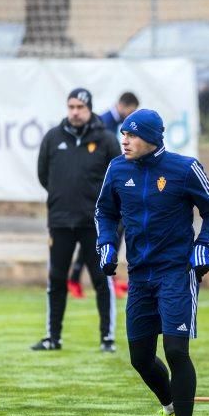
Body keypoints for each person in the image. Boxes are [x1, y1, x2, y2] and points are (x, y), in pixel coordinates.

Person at [94, 108, 209, 416]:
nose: (125, 140)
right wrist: (106, 243)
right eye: (123, 133)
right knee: (140, 358)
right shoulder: (117, 169)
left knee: (176, 352)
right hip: (139, 275)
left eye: (132, 135)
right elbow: (104, 212)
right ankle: (169, 407)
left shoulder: (184, 168)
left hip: (176, 273)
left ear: (152, 138)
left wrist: (203, 246)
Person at [31, 87, 121, 353]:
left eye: (80, 107)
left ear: (89, 109)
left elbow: (116, 178)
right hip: (60, 221)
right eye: (71, 107)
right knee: (56, 279)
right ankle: (52, 337)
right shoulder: (53, 138)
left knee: (101, 279)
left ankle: (107, 339)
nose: (75, 112)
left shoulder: (106, 140)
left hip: (95, 223)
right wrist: (62, 198)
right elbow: (43, 175)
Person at [67, 92, 139, 300]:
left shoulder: (114, 125)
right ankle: (78, 278)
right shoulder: (105, 124)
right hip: (102, 191)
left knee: (108, 233)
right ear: (124, 106)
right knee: (103, 233)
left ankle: (101, 278)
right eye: (131, 112)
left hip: (110, 189)